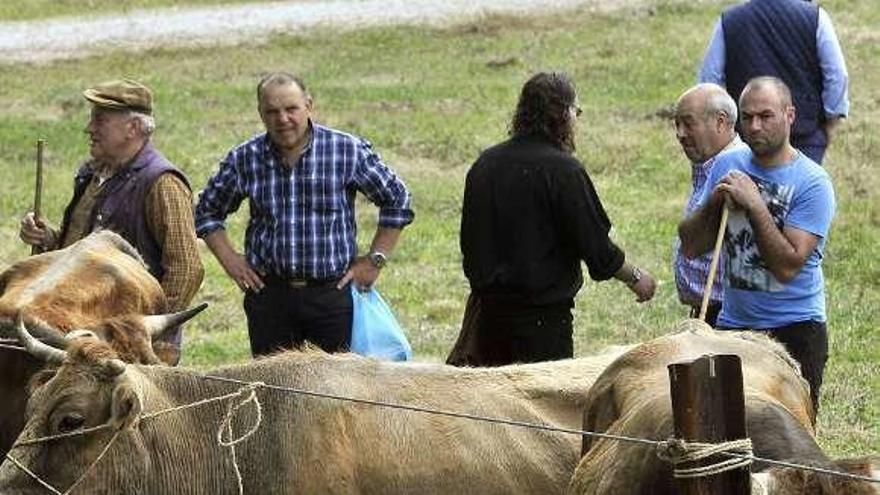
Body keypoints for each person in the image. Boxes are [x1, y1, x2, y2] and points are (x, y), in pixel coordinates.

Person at [195, 72, 414, 358]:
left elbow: (397, 198)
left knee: (335, 395)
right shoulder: (245, 158)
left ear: (309, 105)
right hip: (270, 297)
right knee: (274, 392)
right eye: (272, 111)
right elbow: (207, 211)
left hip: (331, 294)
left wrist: (375, 260)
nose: (282, 119)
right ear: (260, 113)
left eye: (291, 109)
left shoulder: (346, 150)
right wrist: (231, 261)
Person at [455, 71, 656, 367]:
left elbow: (470, 244)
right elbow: (598, 251)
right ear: (563, 114)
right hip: (542, 324)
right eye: (577, 111)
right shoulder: (564, 171)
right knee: (540, 409)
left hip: (487, 319)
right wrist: (636, 278)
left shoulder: (485, 165)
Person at [679, 77, 835, 417]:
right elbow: (691, 245)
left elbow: (788, 265)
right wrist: (713, 203)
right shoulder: (726, 165)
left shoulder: (812, 183)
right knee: (724, 427)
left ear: (789, 116)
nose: (754, 126)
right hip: (734, 326)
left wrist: (755, 204)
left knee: (788, 444)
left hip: (795, 331)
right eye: (747, 117)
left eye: (766, 116)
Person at [18, 79, 204, 362]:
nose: (89, 128)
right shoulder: (93, 175)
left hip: (130, 348)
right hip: (83, 333)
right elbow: (83, 249)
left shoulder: (162, 183)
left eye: (100, 120)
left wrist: (145, 330)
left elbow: (186, 267)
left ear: (133, 128)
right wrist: (49, 240)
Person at [698, 0, 849, 165]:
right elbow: (837, 75)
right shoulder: (815, 18)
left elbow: (709, 81)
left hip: (748, 136)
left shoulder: (730, 21)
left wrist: (722, 127)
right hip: (804, 136)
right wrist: (831, 120)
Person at [671, 83, 746, 327]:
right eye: (677, 124)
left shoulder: (741, 171)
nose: (680, 134)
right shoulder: (707, 166)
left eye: (688, 123)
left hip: (731, 320)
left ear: (721, 122)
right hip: (708, 317)